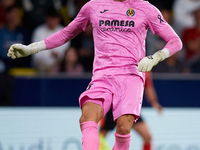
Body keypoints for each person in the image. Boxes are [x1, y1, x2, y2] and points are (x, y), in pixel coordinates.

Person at [7, 0, 182, 149]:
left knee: (123, 127)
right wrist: (31, 48)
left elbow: (175, 41)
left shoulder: (146, 8)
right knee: (87, 117)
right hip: (102, 76)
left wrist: (156, 57)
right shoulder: (93, 6)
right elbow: (66, 33)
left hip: (130, 76)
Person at [99, 72, 162, 150]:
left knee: (147, 136)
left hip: (131, 108)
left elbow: (148, 86)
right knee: (101, 136)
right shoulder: (122, 63)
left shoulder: (145, 68)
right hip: (113, 106)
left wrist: (154, 102)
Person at [31, 7, 70, 72]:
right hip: (42, 65)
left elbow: (66, 51)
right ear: (46, 18)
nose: (52, 21)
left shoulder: (65, 31)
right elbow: (35, 53)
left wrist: (59, 55)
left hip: (59, 66)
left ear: (58, 19)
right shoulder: (38, 31)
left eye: (54, 19)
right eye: (50, 18)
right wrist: (49, 54)